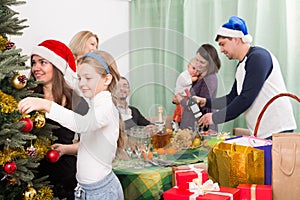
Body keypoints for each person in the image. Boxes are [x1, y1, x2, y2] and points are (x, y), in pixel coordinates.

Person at [18, 50, 124, 199]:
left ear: (106, 80)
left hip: (100, 192)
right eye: (80, 78)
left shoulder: (105, 106)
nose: (82, 84)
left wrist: (47, 106)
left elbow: (83, 124)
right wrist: (66, 149)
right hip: (85, 189)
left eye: (88, 78)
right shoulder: (96, 104)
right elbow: (92, 145)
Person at [196, 16, 296, 139]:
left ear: (236, 40)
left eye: (223, 44)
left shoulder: (258, 58)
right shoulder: (242, 66)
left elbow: (246, 98)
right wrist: (206, 102)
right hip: (262, 132)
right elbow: (232, 98)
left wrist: (215, 117)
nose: (221, 50)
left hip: (278, 130)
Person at [29, 39, 88, 199]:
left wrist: (65, 149)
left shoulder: (76, 101)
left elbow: (91, 143)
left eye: (43, 62)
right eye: (34, 63)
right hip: (31, 179)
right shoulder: (29, 98)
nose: (36, 68)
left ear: (57, 66)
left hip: (66, 178)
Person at [175, 44, 221, 133]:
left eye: (202, 62)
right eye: (197, 60)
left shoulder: (210, 79)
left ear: (210, 64)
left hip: (202, 125)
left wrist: (181, 99)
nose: (197, 64)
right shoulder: (197, 75)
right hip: (191, 123)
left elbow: (200, 105)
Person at [172, 57, 201, 126]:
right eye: (193, 68)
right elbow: (186, 82)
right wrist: (194, 79)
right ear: (188, 66)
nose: (195, 71)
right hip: (180, 95)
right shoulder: (184, 75)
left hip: (186, 97)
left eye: (197, 70)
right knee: (180, 110)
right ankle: (176, 120)